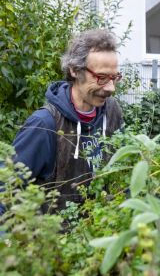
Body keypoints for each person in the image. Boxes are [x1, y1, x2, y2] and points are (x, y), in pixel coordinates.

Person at [12, 29, 124, 211]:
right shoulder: (45, 125)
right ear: (74, 70)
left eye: (114, 77)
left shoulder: (112, 112)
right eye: (101, 78)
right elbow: (6, 189)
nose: (111, 88)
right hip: (54, 236)